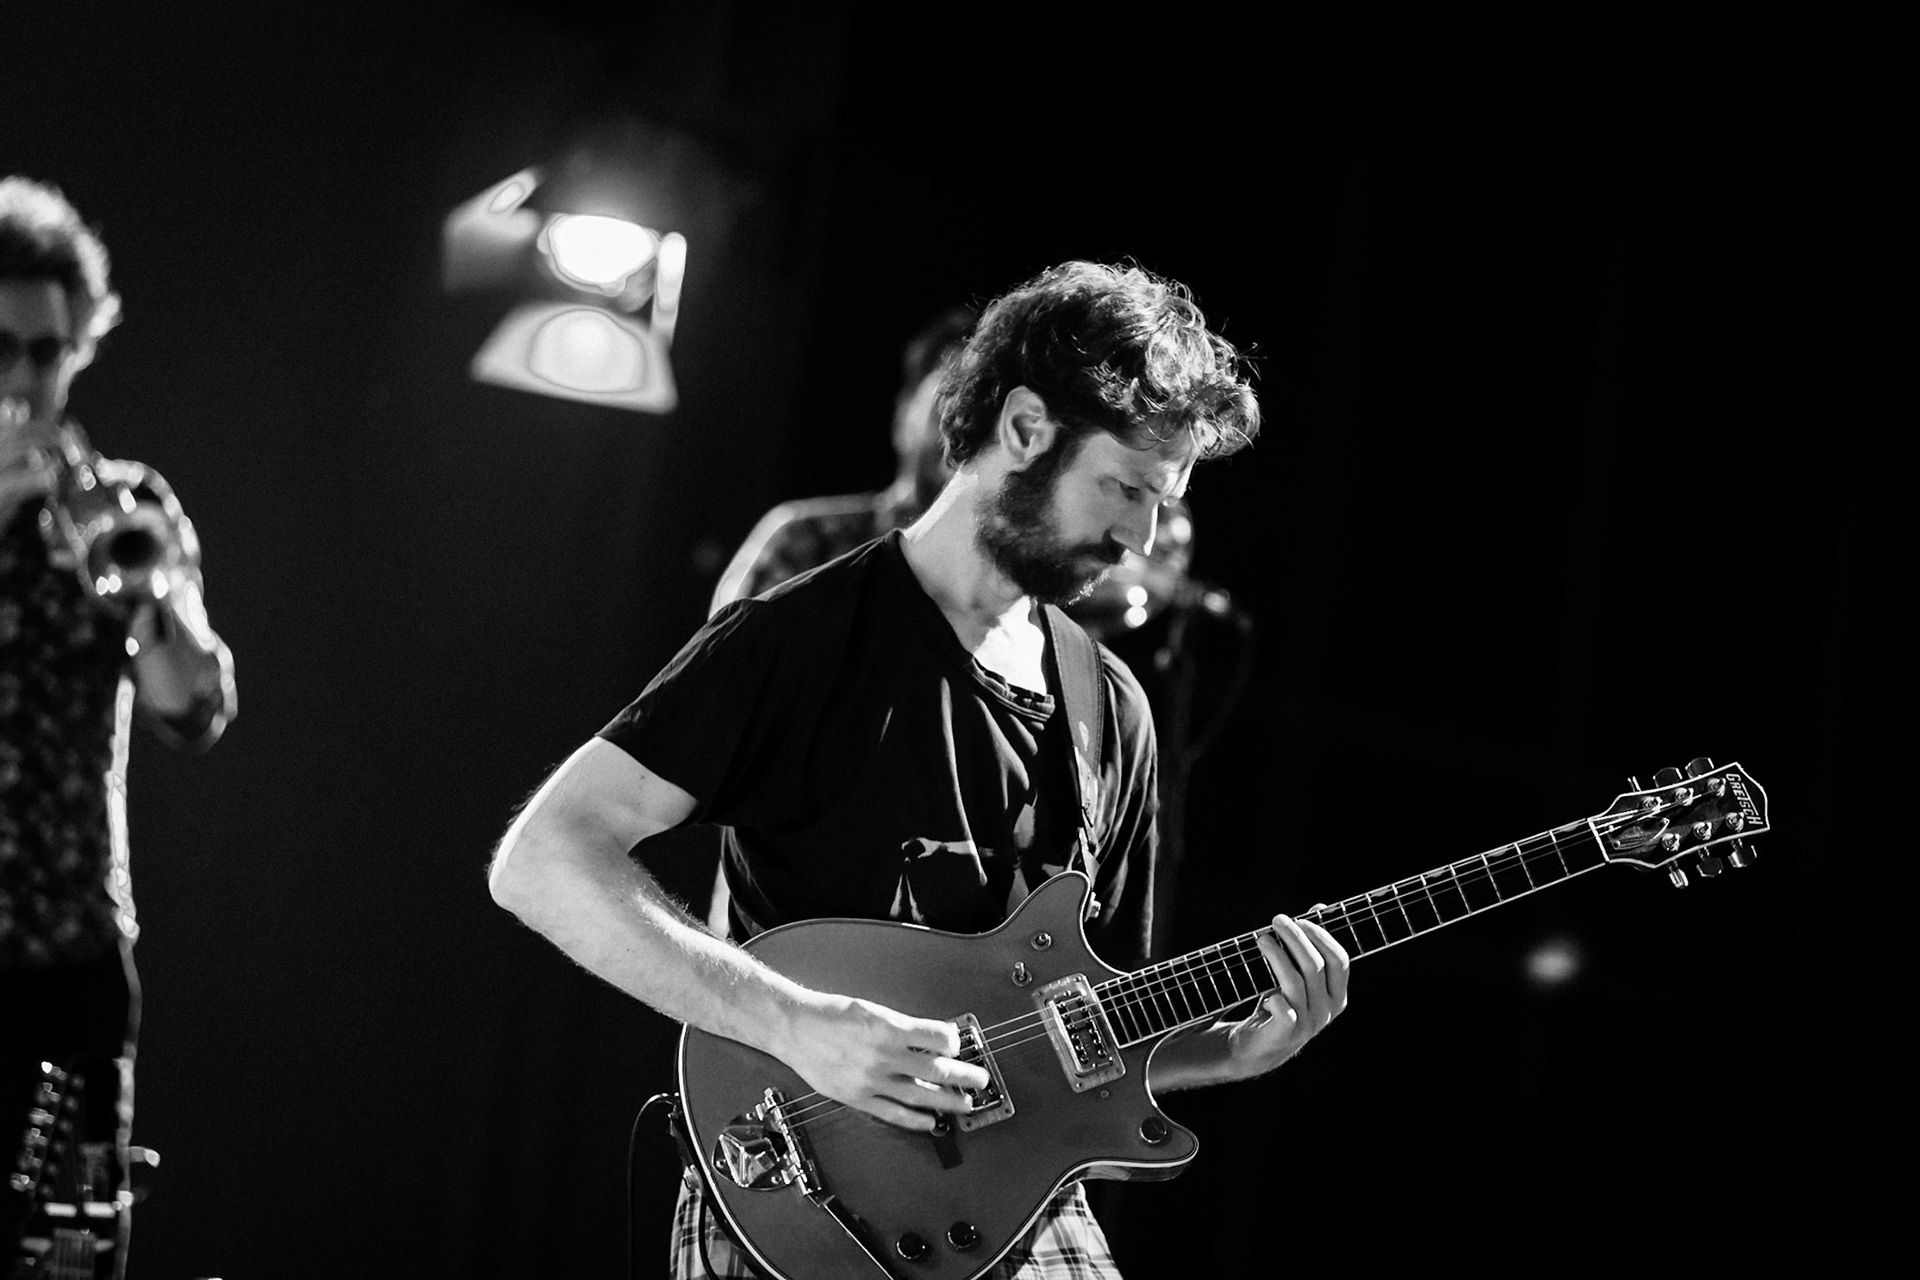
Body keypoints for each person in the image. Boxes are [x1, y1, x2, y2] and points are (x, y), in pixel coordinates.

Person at [488, 260, 1349, 1279]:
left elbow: (1092, 1035)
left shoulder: (1113, 708)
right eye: (1126, 488)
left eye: (1163, 502)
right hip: (794, 1189)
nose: (1141, 539)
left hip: (1021, 1206)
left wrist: (1232, 1051)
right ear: (1024, 428)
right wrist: (798, 1024)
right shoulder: (804, 637)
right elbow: (543, 858)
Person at [2, 176, 236, 1276]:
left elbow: (197, 709)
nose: (24, 378)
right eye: (1, 349)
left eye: (47, 352)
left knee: (71, 1251)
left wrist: (151, 605)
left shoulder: (125, 500)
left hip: (74, 959)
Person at [708, 304, 976, 613]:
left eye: (980, 417)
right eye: (948, 406)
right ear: (903, 417)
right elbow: (735, 640)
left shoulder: (998, 586)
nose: (962, 431)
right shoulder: (803, 539)